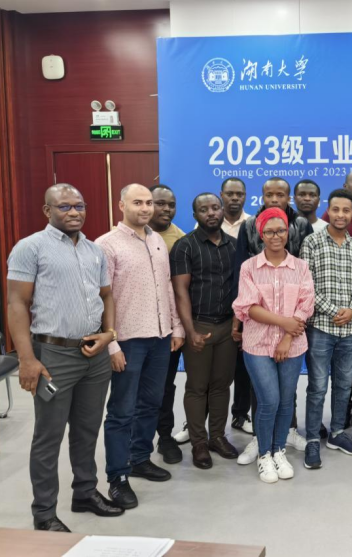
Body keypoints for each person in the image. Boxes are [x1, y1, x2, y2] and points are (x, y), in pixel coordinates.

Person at [7, 184, 124, 532]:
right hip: (53, 355)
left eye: (79, 206)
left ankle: (85, 493)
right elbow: (16, 304)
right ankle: (44, 512)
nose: (74, 212)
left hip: (94, 354)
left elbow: (107, 296)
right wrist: (27, 360)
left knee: (87, 430)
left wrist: (109, 333)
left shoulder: (94, 250)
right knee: (49, 436)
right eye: (64, 207)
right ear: (48, 211)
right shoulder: (30, 248)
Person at [96, 184, 185, 509]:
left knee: (151, 403)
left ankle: (140, 458)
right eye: (138, 202)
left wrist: (176, 326)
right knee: (122, 411)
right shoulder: (106, 245)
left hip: (160, 339)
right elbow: (100, 298)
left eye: (149, 202)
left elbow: (167, 289)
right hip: (127, 341)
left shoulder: (157, 240)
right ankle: (117, 477)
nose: (146, 208)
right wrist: (111, 344)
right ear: (121, 205)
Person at [232, 177, 313, 460]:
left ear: (288, 232)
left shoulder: (301, 267)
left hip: (292, 344)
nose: (276, 236)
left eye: (281, 230)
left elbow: (305, 304)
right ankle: (264, 453)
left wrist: (289, 335)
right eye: (269, 231)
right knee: (269, 400)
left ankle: (279, 451)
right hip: (258, 343)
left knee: (286, 402)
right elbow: (248, 306)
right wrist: (283, 323)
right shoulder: (249, 267)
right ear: (261, 234)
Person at [170, 193, 239, 470]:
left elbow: (240, 288)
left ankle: (218, 437)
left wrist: (237, 324)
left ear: (222, 210)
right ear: (195, 215)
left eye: (215, 207)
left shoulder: (235, 245)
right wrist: (190, 331)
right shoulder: (185, 246)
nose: (210, 213)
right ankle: (199, 442)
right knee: (197, 387)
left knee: (221, 386)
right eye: (203, 209)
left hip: (227, 326)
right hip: (199, 325)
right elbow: (180, 292)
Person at [301, 189, 352, 469]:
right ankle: (313, 439)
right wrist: (332, 311)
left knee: (344, 385)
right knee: (317, 387)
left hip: (350, 329)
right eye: (336, 209)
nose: (341, 215)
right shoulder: (311, 242)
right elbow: (306, 285)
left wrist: (351, 309)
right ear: (329, 210)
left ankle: (337, 432)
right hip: (320, 328)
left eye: (346, 210)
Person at [149, 184, 190, 463]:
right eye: (159, 203)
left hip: (170, 327)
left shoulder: (181, 240)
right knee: (135, 389)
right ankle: (135, 442)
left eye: (171, 204)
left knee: (165, 386)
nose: (166, 209)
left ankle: (165, 438)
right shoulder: (128, 238)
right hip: (135, 328)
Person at [148, 184, 185, 250]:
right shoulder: (132, 232)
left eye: (172, 205)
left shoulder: (182, 240)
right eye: (160, 204)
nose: (167, 209)